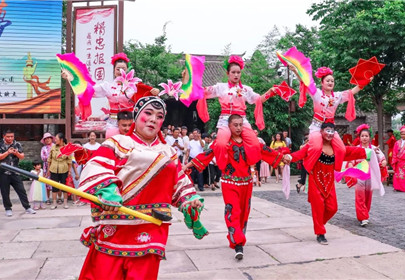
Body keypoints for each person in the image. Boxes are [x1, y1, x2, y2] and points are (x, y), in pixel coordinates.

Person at [77, 95, 205, 280]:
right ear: (136, 116)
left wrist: (189, 201)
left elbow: (179, 184)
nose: (154, 119)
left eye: (159, 116)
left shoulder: (168, 151)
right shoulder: (117, 143)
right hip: (116, 224)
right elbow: (97, 166)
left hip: (150, 227)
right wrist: (108, 191)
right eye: (148, 113)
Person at [186, 114, 284, 259]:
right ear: (229, 126)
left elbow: (263, 150)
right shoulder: (223, 143)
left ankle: (238, 237)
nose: (238, 128)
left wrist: (284, 158)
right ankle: (238, 243)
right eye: (235, 125)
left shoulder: (248, 142)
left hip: (246, 183)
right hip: (229, 182)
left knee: (244, 213)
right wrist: (187, 166)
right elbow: (207, 154)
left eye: (240, 125)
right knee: (233, 211)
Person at [284, 122, 367, 245]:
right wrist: (289, 157)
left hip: (329, 183)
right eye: (327, 130)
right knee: (318, 209)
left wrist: (368, 151)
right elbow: (300, 154)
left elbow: (350, 151)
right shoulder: (314, 146)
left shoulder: (337, 149)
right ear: (321, 131)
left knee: (333, 208)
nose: (330, 134)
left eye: (332, 131)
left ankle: (319, 225)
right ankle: (320, 233)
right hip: (315, 181)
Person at [196, 55, 277, 171]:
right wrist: (191, 79)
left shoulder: (246, 89)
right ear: (228, 73)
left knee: (254, 143)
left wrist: (270, 92)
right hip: (225, 120)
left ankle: (247, 165)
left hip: (241, 120)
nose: (236, 75)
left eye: (238, 72)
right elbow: (202, 91)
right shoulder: (220, 87)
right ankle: (224, 167)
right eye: (233, 72)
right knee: (220, 144)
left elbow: (258, 99)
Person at [289, 65, 368, 170]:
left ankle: (336, 170)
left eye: (332, 81)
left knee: (341, 149)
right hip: (317, 126)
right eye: (328, 81)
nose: (330, 83)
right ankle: (308, 167)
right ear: (322, 83)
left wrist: (365, 81)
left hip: (330, 128)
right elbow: (305, 81)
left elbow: (352, 92)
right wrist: (295, 70)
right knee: (316, 147)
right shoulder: (316, 93)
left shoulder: (337, 96)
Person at [345, 124, 386, 227]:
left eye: (366, 136)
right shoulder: (356, 149)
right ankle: (363, 217)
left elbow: (382, 159)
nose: (364, 138)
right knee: (360, 196)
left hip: (370, 176)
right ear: (359, 137)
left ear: (370, 138)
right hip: (359, 176)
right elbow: (350, 160)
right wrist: (351, 165)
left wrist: (383, 162)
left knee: (368, 196)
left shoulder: (374, 149)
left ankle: (364, 213)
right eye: (362, 136)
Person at [0, 130, 36, 217]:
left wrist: (16, 152)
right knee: (5, 192)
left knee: (21, 190)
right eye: (8, 136)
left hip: (15, 172)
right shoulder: (0, 144)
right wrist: (8, 152)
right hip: (3, 172)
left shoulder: (17, 144)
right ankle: (8, 209)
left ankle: (27, 207)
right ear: (4, 136)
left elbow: (22, 156)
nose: (10, 138)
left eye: (12, 136)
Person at [47, 133, 80, 209]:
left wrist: (69, 171)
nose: (55, 140)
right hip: (54, 169)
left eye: (56, 139)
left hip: (64, 169)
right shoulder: (53, 147)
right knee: (54, 186)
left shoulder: (67, 148)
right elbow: (49, 159)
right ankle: (54, 203)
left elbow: (69, 161)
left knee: (64, 186)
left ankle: (65, 203)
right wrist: (48, 169)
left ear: (61, 140)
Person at [40, 132, 54, 204]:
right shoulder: (43, 148)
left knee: (56, 182)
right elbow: (43, 157)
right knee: (47, 183)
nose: (47, 140)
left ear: (51, 139)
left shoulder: (55, 146)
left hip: (55, 166)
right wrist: (50, 158)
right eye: (46, 139)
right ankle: (47, 198)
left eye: (49, 138)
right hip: (46, 167)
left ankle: (57, 198)